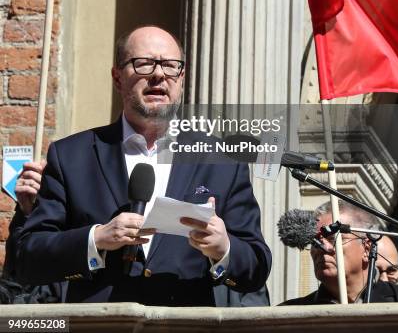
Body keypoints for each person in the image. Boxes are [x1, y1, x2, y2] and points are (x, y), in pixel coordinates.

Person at [16, 25, 271, 305]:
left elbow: (256, 267)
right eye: (144, 64)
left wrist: (224, 249)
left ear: (181, 78)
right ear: (117, 78)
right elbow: (28, 258)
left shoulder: (221, 160)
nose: (159, 74)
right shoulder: (71, 156)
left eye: (171, 66)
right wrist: (96, 238)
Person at [280, 201, 398, 304]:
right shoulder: (289, 316)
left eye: (334, 238)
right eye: (315, 241)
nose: (322, 248)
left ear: (367, 248)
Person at [2, 161, 64, 303]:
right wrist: (28, 211)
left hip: (67, 311)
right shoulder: (27, 216)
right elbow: (15, 271)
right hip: (32, 313)